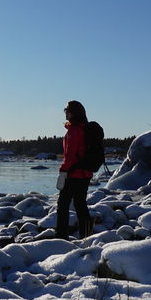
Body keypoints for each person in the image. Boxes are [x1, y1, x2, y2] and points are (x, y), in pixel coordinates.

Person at [56, 100, 93, 240]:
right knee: (80, 204)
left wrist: (63, 171)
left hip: (74, 173)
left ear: (74, 112)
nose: (65, 113)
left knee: (63, 205)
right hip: (85, 173)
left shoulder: (75, 131)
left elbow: (70, 155)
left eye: (67, 110)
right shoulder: (84, 128)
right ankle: (87, 235)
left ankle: (61, 237)